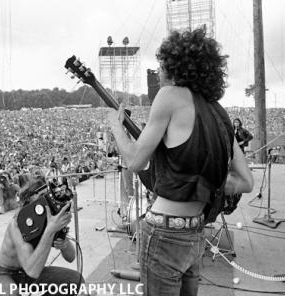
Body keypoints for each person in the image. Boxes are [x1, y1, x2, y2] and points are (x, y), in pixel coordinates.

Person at [107, 28, 253, 296]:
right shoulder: (218, 112)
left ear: (174, 67)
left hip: (163, 231)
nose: (159, 71)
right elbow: (245, 182)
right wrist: (203, 182)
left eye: (162, 64)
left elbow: (135, 162)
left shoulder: (170, 96)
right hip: (195, 232)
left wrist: (116, 128)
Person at [0, 181, 83, 296]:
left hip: (32, 273)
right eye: (41, 197)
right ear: (29, 201)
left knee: (75, 280)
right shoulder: (17, 224)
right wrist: (50, 230)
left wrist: (64, 245)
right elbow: (32, 270)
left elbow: (71, 257)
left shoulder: (48, 218)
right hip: (7, 273)